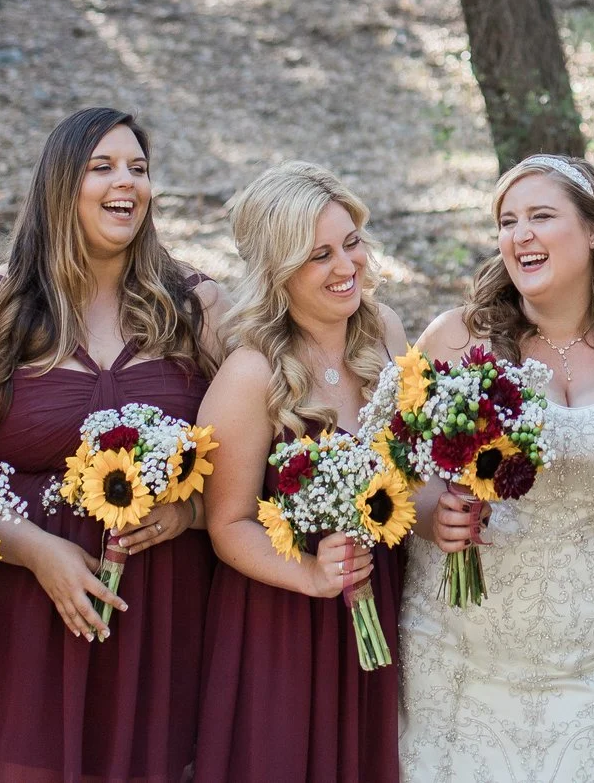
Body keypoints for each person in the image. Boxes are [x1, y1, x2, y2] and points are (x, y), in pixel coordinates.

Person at [0, 108, 222, 783]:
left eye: (139, 169)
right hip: (22, 622)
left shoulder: (196, 306)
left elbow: (251, 451)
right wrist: (40, 551)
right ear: (61, 183)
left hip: (159, 620)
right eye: (104, 167)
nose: (128, 183)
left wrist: (187, 511)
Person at [400, 154, 594, 782]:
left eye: (541, 216)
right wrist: (430, 516)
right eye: (507, 221)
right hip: (464, 651)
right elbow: (397, 464)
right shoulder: (456, 338)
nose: (519, 234)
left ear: (593, 232)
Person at [195, 162, 410, 783]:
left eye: (351, 243)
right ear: (278, 272)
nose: (347, 267)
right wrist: (313, 574)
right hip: (285, 623)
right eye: (319, 255)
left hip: (378, 592)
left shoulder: (386, 334)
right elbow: (226, 523)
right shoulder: (251, 373)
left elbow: (407, 471)